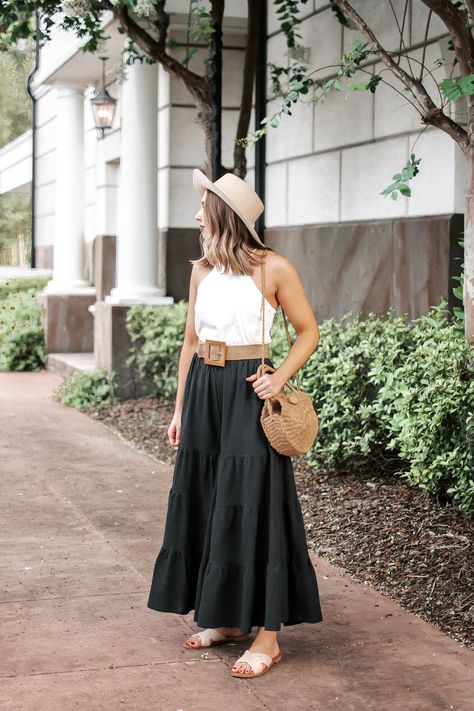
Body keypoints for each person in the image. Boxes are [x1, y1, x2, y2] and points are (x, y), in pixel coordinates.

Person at [147, 168, 323, 679]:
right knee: (208, 497)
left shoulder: (274, 268)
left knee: (254, 503)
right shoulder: (201, 270)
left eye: (204, 206)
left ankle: (267, 637)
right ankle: (226, 619)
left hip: (249, 389)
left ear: (224, 215)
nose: (197, 214)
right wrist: (180, 408)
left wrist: (280, 377)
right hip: (205, 387)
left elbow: (308, 331)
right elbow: (189, 343)